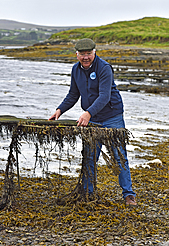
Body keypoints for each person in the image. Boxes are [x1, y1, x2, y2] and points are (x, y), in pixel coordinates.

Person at [48, 38, 137, 206]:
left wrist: (87, 113)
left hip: (112, 116)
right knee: (89, 157)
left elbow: (104, 96)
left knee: (119, 156)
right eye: (82, 54)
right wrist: (59, 110)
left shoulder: (104, 68)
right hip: (92, 118)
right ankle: (88, 193)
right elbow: (73, 95)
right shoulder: (76, 70)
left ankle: (128, 195)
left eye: (89, 53)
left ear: (94, 52)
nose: (86, 57)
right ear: (77, 55)